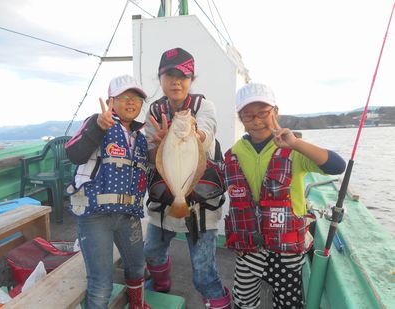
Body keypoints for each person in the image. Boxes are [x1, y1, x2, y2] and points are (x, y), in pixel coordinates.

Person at [224, 82, 346, 309]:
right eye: (248, 116)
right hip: (249, 250)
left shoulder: (295, 150)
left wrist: (296, 143)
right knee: (243, 300)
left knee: (288, 304)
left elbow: (337, 166)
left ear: (276, 112)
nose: (257, 121)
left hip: (287, 252)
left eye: (263, 113)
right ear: (240, 119)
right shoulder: (233, 154)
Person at [143, 47, 230, 308]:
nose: (175, 81)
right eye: (168, 75)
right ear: (160, 79)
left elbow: (207, 131)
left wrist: (195, 134)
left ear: (192, 80)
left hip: (200, 206)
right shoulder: (154, 110)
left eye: (183, 76)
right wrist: (155, 144)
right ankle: (161, 283)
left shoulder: (204, 106)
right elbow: (149, 155)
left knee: (203, 271)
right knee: (152, 252)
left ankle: (217, 300)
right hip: (166, 200)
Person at [65, 75, 151, 309]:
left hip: (128, 216)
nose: (131, 102)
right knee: (101, 282)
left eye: (136, 98)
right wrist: (98, 127)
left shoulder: (140, 139)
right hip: (95, 216)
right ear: (111, 101)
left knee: (137, 266)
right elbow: (74, 154)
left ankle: (137, 304)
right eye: (124, 97)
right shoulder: (96, 123)